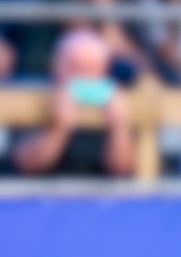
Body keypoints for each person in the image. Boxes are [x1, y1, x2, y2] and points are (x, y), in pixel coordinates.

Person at [9, 27, 135, 177]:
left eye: (90, 68)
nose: (83, 75)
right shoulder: (32, 97)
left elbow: (121, 169)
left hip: (98, 195)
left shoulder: (113, 103)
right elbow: (26, 165)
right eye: (74, 67)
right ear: (54, 66)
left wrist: (119, 127)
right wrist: (58, 129)